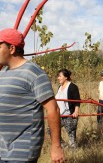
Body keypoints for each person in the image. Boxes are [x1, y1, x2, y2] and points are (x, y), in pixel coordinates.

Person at [0, 28, 64, 162]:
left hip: (21, 150)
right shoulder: (3, 71)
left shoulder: (33, 73)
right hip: (3, 148)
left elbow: (53, 109)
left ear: (11, 49)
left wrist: (56, 147)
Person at [55, 68, 80, 148]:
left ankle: (74, 154)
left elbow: (77, 100)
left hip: (70, 116)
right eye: (58, 76)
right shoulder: (59, 87)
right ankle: (65, 146)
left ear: (66, 77)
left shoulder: (73, 87)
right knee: (51, 131)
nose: (58, 78)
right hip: (60, 116)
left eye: (60, 76)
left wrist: (76, 111)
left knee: (71, 137)